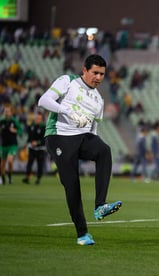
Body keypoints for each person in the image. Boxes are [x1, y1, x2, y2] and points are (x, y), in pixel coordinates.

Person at [38, 54, 122, 246]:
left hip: (82, 137)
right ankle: (82, 234)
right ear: (84, 70)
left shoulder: (99, 100)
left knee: (104, 150)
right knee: (72, 185)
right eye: (95, 73)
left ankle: (100, 206)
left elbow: (93, 130)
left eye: (102, 74)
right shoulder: (68, 81)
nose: (99, 77)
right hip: (59, 137)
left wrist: (93, 146)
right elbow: (43, 101)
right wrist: (68, 111)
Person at [0, 105, 23, 185]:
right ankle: (3, 179)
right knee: (2, 164)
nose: (7, 113)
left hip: (13, 144)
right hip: (3, 145)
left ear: (11, 112)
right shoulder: (1, 121)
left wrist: (15, 130)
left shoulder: (14, 121)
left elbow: (21, 131)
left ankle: (9, 177)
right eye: (5, 111)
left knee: (10, 160)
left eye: (8, 111)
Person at [22, 112, 46, 185]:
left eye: (39, 118)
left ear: (42, 119)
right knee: (29, 163)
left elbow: (45, 139)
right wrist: (28, 142)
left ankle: (38, 179)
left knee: (40, 164)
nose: (37, 120)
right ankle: (27, 177)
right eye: (37, 118)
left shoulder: (44, 127)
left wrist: (37, 142)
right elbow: (30, 136)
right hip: (32, 148)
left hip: (41, 149)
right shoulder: (33, 126)